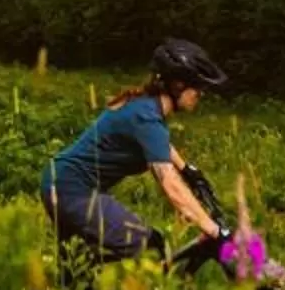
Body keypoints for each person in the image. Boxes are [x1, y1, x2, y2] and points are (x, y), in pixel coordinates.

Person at [40, 38, 230, 264]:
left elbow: (160, 145)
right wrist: (214, 231)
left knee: (78, 267)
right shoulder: (146, 118)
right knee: (147, 245)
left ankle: (76, 289)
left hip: (60, 183)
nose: (201, 94)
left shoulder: (146, 107)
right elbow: (171, 186)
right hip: (73, 190)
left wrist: (187, 169)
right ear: (178, 84)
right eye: (198, 88)